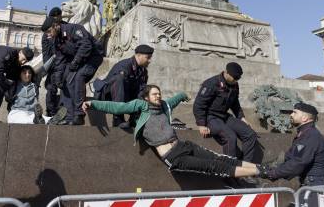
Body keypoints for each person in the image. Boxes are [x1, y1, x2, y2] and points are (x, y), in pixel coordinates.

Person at [83, 84, 266, 179]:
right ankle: (261, 173)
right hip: (174, 156)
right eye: (155, 94)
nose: (158, 96)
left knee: (221, 158)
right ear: (146, 97)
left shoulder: (163, 106)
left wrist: (183, 95)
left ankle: (263, 169)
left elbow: (174, 100)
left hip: (183, 145)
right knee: (215, 167)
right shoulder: (140, 107)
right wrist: (93, 104)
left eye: (159, 93)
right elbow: (117, 107)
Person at [261, 102, 324, 206]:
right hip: (309, 185)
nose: (291, 115)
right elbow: (290, 158)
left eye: (295, 112)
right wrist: (266, 168)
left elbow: (298, 163)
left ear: (305, 118)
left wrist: (272, 173)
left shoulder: (310, 136)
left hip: (316, 187)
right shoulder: (304, 134)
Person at [42, 16, 104, 125]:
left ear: (56, 26)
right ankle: (69, 117)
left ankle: (79, 114)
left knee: (79, 76)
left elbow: (86, 45)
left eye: (49, 31)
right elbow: (60, 61)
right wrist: (58, 78)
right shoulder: (56, 41)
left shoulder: (73, 29)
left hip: (93, 56)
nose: (48, 35)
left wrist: (75, 61)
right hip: (79, 61)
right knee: (66, 81)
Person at [193, 62, 258, 162]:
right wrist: (201, 124)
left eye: (238, 78)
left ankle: (245, 167)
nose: (236, 80)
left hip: (224, 116)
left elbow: (235, 104)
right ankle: (230, 172)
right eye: (234, 78)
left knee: (250, 134)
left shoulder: (234, 85)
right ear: (226, 73)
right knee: (230, 137)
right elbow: (199, 104)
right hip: (211, 117)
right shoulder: (211, 83)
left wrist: (242, 118)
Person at [93, 44, 152, 128]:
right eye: (148, 57)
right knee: (119, 79)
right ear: (138, 55)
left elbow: (141, 91)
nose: (149, 60)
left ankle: (134, 119)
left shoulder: (143, 72)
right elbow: (116, 85)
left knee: (145, 91)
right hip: (108, 95)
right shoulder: (124, 65)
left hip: (125, 94)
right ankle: (117, 118)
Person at [42, 6, 66, 117]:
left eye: (58, 17)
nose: (56, 19)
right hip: (53, 65)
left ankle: (64, 112)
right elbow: (46, 52)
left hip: (66, 64)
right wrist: (48, 66)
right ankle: (50, 112)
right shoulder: (46, 33)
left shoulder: (66, 27)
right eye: (54, 17)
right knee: (51, 88)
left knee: (65, 88)